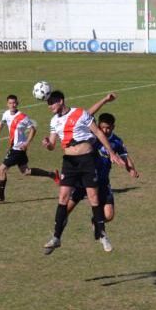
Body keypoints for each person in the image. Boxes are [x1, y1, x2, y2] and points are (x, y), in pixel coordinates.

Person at [42, 89, 124, 255]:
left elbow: (99, 132)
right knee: (63, 198)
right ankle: (56, 237)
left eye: (51, 102)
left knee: (93, 198)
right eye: (48, 103)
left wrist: (112, 152)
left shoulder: (79, 113)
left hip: (86, 160)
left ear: (61, 100)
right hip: (69, 163)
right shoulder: (54, 121)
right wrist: (47, 144)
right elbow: (52, 144)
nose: (49, 106)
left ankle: (102, 235)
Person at [66, 112, 139, 238]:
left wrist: (131, 169)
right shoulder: (92, 137)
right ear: (98, 125)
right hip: (85, 179)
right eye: (103, 127)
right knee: (65, 209)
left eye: (108, 127)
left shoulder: (116, 141)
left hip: (103, 182)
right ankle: (58, 229)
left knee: (109, 216)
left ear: (113, 127)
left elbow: (125, 156)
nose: (105, 130)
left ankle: (96, 220)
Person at [0, 94, 57, 203]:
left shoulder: (23, 117)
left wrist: (27, 143)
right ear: (7, 104)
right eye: (10, 103)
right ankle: (52, 174)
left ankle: (0, 196)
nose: (12, 105)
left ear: (17, 103)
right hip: (16, 148)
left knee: (1, 170)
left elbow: (33, 130)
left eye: (14, 103)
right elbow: (1, 123)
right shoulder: (6, 114)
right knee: (26, 171)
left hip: (17, 149)